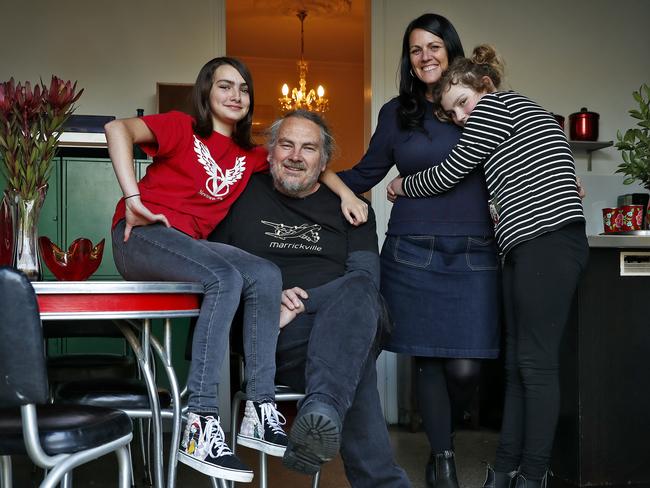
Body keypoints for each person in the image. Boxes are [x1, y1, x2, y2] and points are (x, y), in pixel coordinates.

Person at [105, 57, 367, 483]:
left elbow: (309, 158)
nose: (235, 95)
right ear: (206, 92)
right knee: (224, 277)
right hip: (144, 234)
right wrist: (133, 197)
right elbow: (117, 129)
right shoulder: (181, 127)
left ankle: (260, 409)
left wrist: (346, 196)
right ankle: (200, 422)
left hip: (192, 247)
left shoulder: (249, 155)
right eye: (225, 86)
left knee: (265, 274)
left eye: (243, 89)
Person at [387, 44, 589, 488]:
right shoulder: (513, 117)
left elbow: (450, 172)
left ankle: (532, 475)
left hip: (548, 242)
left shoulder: (497, 105)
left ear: (486, 85)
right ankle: (503, 472)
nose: (460, 117)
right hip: (526, 246)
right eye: (451, 113)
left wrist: (403, 184)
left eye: (462, 102)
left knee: (535, 366)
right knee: (517, 365)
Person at [337, 13, 500, 488]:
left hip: (474, 253)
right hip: (413, 252)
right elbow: (365, 174)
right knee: (427, 359)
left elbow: (509, 163)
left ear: (450, 50)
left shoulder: (481, 103)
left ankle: (444, 439)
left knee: (466, 367)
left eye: (434, 46)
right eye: (415, 49)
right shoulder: (396, 113)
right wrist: (317, 178)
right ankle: (443, 459)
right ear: (408, 60)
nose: (425, 56)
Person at [210, 109, 411, 488]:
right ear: (270, 152)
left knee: (357, 294)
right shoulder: (239, 194)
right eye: (286, 144)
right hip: (272, 335)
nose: (295, 155)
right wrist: (265, 299)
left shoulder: (353, 209)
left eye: (308, 148)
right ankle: (327, 414)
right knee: (354, 357)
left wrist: (302, 302)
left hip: (345, 314)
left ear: (323, 162)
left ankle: (322, 409)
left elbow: (365, 280)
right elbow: (217, 269)